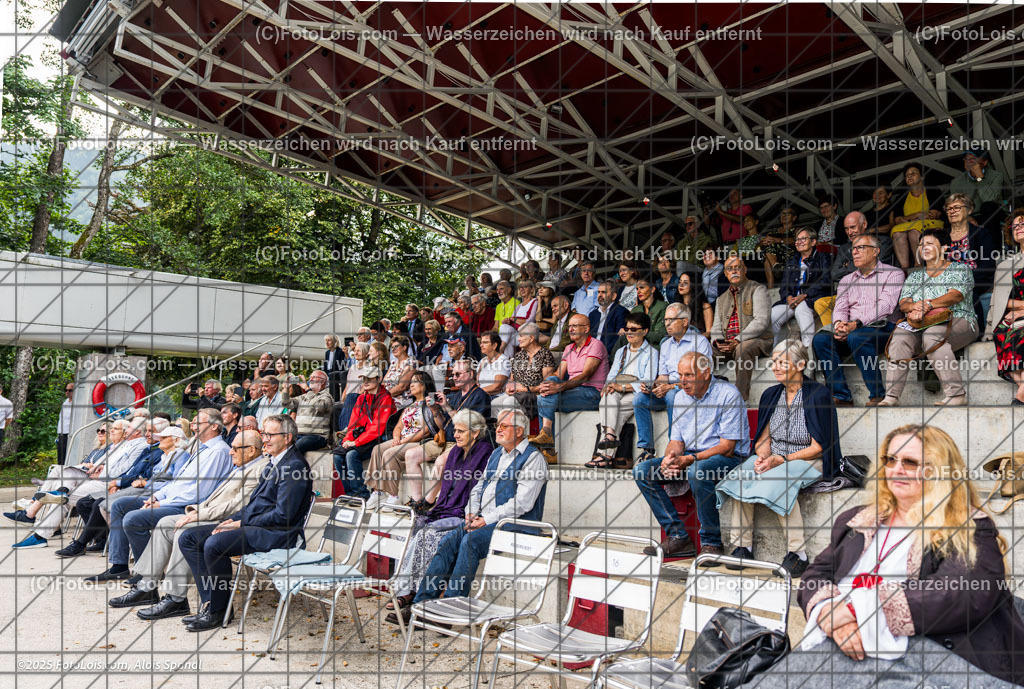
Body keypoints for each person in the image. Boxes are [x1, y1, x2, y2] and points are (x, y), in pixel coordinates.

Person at [755, 425, 1024, 688]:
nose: (896, 469)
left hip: (934, 656)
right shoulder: (856, 519)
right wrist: (827, 612)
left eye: (909, 462)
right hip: (845, 644)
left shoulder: (969, 526)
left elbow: (958, 594)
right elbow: (816, 575)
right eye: (890, 459)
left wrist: (854, 611)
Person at [114, 429, 269, 620]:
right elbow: (215, 497)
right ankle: (147, 587)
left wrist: (198, 515)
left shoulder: (260, 468)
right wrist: (194, 511)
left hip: (226, 520)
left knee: (183, 531)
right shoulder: (242, 465)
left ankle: (175, 598)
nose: (230, 452)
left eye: (235, 448)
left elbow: (236, 505)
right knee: (164, 524)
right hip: (208, 513)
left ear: (252, 450)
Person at [716, 341, 841, 577]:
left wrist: (781, 459)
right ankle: (743, 546)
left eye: (782, 362)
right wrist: (762, 458)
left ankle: (798, 553)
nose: (775, 367)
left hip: (809, 459)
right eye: (774, 361)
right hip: (777, 457)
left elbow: (818, 447)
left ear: (801, 364)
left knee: (781, 481)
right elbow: (764, 439)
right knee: (742, 475)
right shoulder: (771, 394)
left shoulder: (818, 394)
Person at [178, 414, 312, 632]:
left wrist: (242, 524)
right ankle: (210, 601)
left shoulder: (294, 467)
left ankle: (219, 611)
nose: (265, 439)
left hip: (278, 534)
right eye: (264, 434)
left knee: (215, 544)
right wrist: (236, 519)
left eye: (270, 434)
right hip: (257, 526)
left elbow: (283, 516)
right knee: (189, 537)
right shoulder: (275, 461)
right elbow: (255, 504)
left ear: (287, 437)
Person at [410, 409, 546, 604]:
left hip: (515, 525)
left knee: (469, 541)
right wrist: (471, 512)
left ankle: (452, 605)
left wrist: (486, 520)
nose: (497, 430)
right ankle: (421, 603)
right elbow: (478, 487)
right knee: (448, 541)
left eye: (504, 426)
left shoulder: (533, 459)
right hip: (483, 519)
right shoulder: (497, 454)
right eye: (497, 426)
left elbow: (522, 503)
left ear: (519, 431)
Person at [83, 409, 234, 582]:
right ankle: (119, 566)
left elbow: (199, 492)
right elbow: (177, 483)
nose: (193, 427)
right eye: (193, 423)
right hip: (173, 498)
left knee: (133, 519)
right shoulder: (201, 448)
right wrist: (157, 497)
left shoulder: (218, 451)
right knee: (119, 505)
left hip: (190, 506)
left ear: (214, 426)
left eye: (198, 423)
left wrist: (161, 504)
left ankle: (147, 574)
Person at [633, 352, 749, 558]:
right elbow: (677, 441)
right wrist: (671, 458)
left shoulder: (728, 394)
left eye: (688, 375)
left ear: (706, 374)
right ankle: (678, 537)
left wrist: (689, 460)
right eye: (680, 375)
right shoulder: (679, 397)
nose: (682, 381)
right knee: (643, 471)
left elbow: (727, 447)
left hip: (728, 459)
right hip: (691, 456)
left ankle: (712, 544)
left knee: (697, 471)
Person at [385, 409, 493, 621]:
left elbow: (477, 490)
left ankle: (414, 593)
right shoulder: (455, 452)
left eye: (461, 431)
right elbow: (447, 485)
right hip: (446, 508)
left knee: (430, 537)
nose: (456, 435)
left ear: (475, 432)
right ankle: (408, 590)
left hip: (463, 512)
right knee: (413, 529)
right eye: (455, 431)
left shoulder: (484, 452)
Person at [9, 417, 150, 549]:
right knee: (65, 474)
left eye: (128, 427)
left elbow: (124, 469)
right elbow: (114, 465)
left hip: (106, 482)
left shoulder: (139, 446)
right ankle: (55, 499)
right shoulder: (126, 444)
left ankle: (39, 532)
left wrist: (103, 473)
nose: (124, 430)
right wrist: (99, 468)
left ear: (137, 431)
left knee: (64, 500)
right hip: (98, 476)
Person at [880, 228, 978, 407]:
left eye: (930, 244)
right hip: (922, 322)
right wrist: (914, 306)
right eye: (921, 244)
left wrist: (928, 305)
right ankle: (891, 397)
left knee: (932, 336)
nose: (924, 248)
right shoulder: (915, 276)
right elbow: (904, 303)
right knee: (900, 336)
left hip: (961, 320)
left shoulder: (960, 269)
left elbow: (955, 296)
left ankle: (956, 395)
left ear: (945, 248)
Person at [812, 235, 904, 407]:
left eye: (861, 248)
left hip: (883, 327)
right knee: (821, 339)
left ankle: (877, 394)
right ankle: (841, 395)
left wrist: (856, 324)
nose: (855, 252)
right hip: (853, 329)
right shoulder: (847, 280)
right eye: (853, 249)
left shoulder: (893, 273)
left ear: (876, 251)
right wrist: (840, 324)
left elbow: (886, 307)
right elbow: (840, 307)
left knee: (857, 337)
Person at [632, 303, 714, 463]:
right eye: (665, 320)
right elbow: (663, 375)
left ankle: (675, 446)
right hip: (671, 389)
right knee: (640, 399)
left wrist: (670, 387)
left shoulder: (700, 342)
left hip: (693, 392)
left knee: (671, 396)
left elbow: (702, 377)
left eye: (671, 320)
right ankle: (647, 449)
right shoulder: (666, 344)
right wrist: (654, 386)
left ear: (684, 322)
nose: (666, 324)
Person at [403, 359, 490, 505]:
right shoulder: (455, 395)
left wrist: (448, 408)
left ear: (471, 374)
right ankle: (416, 500)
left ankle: (428, 502)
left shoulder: (480, 396)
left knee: (440, 462)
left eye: (458, 374)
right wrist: (435, 410)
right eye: (453, 374)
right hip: (445, 439)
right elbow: (444, 424)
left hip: (464, 443)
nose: (454, 377)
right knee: (411, 454)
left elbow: (469, 426)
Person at [530, 314, 609, 463]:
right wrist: (541, 386)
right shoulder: (568, 348)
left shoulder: (595, 344)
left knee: (545, 396)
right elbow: (558, 374)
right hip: (574, 392)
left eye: (574, 326)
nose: (570, 329)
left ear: (586, 328)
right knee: (544, 393)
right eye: (569, 326)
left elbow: (586, 376)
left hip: (592, 393)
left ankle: (549, 450)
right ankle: (546, 435)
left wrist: (559, 387)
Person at [588, 312, 659, 468]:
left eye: (634, 329)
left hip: (635, 393)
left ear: (645, 331)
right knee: (608, 396)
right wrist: (610, 385)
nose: (629, 332)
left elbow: (648, 381)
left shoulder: (652, 353)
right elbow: (612, 375)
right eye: (627, 329)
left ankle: (605, 455)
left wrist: (623, 387)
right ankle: (610, 436)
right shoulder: (621, 351)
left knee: (615, 412)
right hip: (617, 391)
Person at [364, 371, 435, 509]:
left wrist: (403, 441)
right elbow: (398, 426)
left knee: (390, 453)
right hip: (402, 439)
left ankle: (393, 496)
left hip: (418, 441)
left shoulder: (429, 403)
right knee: (377, 449)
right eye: (411, 382)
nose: (411, 385)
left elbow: (426, 430)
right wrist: (397, 438)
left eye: (415, 381)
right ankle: (378, 492)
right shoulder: (409, 405)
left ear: (425, 386)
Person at [711, 255, 773, 400]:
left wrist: (738, 340)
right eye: (729, 269)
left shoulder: (758, 289)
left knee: (742, 349)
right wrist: (718, 342)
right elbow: (715, 327)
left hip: (757, 341)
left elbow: (761, 321)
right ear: (725, 274)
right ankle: (705, 395)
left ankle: (739, 399)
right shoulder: (721, 299)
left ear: (744, 270)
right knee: (701, 352)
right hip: (728, 346)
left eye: (737, 268)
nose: (734, 272)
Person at [334, 366, 394, 500]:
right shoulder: (361, 399)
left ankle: (361, 495)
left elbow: (377, 429)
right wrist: (346, 441)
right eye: (364, 379)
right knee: (337, 456)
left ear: (378, 379)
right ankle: (350, 494)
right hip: (361, 439)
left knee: (351, 455)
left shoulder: (386, 399)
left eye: (369, 379)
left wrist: (355, 442)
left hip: (379, 439)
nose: (365, 382)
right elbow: (353, 424)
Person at [770, 228, 832, 348]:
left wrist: (804, 295)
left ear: (813, 242)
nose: (799, 242)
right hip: (792, 300)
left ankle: (808, 351)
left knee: (801, 310)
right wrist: (788, 297)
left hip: (811, 298)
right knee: (772, 315)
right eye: (797, 240)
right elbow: (784, 285)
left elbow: (826, 281)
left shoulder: (823, 258)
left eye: (803, 239)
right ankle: (774, 351)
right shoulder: (792, 261)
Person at [945, 192, 997, 324]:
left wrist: (964, 279)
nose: (952, 211)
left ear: (969, 210)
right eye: (949, 208)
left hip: (975, 280)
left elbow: (988, 265)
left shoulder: (981, 233)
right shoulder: (941, 236)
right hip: (945, 282)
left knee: (966, 290)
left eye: (957, 207)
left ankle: (974, 328)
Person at [989, 209, 1024, 404]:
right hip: (1013, 316)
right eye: (1015, 226)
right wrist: (1018, 309)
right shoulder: (1006, 265)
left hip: (1020, 315)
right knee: (1003, 331)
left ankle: (1021, 395)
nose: (1018, 228)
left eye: (1022, 224)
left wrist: (1021, 310)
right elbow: (1001, 299)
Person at [489, 323, 557, 421]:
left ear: (531, 338)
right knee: (495, 403)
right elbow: (511, 379)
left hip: (534, 395)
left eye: (521, 336)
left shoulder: (545, 355)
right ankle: (501, 432)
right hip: (518, 394)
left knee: (509, 402)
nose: (518, 339)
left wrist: (526, 389)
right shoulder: (519, 356)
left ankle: (517, 434)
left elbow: (547, 385)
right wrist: (509, 387)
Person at [890, 162, 944, 270]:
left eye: (913, 173)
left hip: (932, 225)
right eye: (907, 175)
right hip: (912, 225)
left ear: (922, 176)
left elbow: (933, 215)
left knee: (913, 231)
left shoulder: (932, 190)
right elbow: (897, 219)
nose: (909, 176)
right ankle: (905, 268)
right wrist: (918, 214)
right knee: (896, 232)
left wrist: (908, 218)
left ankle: (918, 264)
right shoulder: (902, 196)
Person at [949, 148, 1006, 238]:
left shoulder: (996, 176)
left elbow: (990, 199)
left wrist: (980, 178)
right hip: (971, 216)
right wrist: (967, 217)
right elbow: (954, 206)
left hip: (994, 214)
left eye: (973, 159)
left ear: (984, 162)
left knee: (988, 206)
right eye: (966, 159)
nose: (969, 162)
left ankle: (994, 248)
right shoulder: (956, 182)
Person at [280, 369, 333, 453]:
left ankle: (298, 466)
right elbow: (286, 403)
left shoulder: (326, 396)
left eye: (314, 377)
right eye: (310, 377)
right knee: (280, 445)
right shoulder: (304, 396)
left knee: (296, 447)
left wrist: (307, 389)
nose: (310, 379)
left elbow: (318, 407)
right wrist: (286, 388)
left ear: (322, 381)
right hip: (299, 435)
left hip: (317, 436)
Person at [588, 280, 629, 354]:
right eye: (598, 292)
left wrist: (601, 353)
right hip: (591, 353)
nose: (600, 295)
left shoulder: (621, 312)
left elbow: (618, 340)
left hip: (608, 355)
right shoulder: (593, 314)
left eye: (604, 292)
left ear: (614, 296)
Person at [498, 280, 538, 354]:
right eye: (520, 287)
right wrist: (507, 321)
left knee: (506, 332)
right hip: (515, 333)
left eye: (525, 287)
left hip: (526, 334)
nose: (522, 289)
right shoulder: (519, 306)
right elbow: (511, 319)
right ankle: (507, 360)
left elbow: (530, 321)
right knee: (505, 328)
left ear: (532, 289)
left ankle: (500, 351)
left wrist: (514, 319)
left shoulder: (534, 302)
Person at [628, 275, 668, 347]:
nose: (638, 291)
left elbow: (659, 336)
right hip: (635, 347)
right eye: (637, 289)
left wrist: (638, 332)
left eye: (642, 288)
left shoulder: (663, 307)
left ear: (652, 289)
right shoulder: (635, 310)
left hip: (655, 348)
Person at [673, 270, 714, 338]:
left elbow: (709, 333)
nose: (681, 285)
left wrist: (692, 338)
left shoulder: (705, 306)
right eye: (680, 282)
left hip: (698, 341)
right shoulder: (676, 306)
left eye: (685, 283)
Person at [381, 336, 417, 410]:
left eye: (396, 346)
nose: (393, 349)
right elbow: (383, 383)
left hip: (400, 400)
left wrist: (384, 396)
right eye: (392, 347)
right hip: (386, 398)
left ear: (404, 347)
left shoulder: (411, 363)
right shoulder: (393, 363)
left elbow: (402, 387)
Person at [477, 332, 510, 398]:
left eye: (485, 343)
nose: (481, 345)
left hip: (496, 397)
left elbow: (497, 386)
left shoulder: (503, 361)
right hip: (481, 396)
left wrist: (476, 392)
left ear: (494, 345)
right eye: (481, 342)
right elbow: (477, 383)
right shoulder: (482, 361)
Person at [57, 383, 73, 465]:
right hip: (61, 433)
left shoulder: (76, 404)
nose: (67, 392)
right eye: (66, 390)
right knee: (60, 457)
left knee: (66, 457)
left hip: (68, 433)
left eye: (70, 390)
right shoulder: (65, 402)